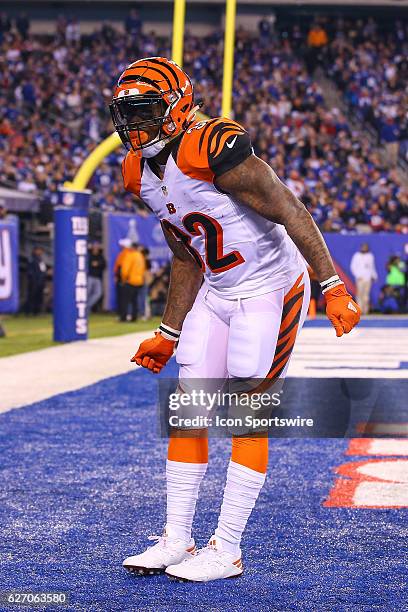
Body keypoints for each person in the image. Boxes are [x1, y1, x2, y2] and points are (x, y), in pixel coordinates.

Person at [109, 57, 360, 582]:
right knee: (189, 409)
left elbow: (292, 210)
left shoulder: (212, 147)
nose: (134, 127)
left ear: (176, 109)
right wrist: (168, 329)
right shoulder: (137, 170)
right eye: (126, 114)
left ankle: (228, 548)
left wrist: (330, 283)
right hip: (218, 291)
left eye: (146, 112)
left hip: (270, 289)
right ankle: (178, 537)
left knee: (248, 414)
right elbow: (185, 254)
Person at [118, 242, 146, 322]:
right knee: (134, 301)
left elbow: (125, 270)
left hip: (130, 280)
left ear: (132, 247)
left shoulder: (130, 255)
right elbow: (143, 268)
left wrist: (123, 279)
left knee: (125, 300)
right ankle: (134, 317)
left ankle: (123, 317)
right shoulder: (140, 256)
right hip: (139, 281)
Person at [350, 243, 378, 315]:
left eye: (366, 247)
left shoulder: (370, 256)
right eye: (363, 247)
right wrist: (357, 276)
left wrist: (374, 276)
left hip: (368, 278)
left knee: (366, 295)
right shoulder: (357, 256)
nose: (364, 248)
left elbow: (371, 267)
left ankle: (365, 311)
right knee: (359, 294)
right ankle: (359, 310)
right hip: (360, 278)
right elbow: (353, 267)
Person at [24, 246, 47, 315]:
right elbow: (30, 271)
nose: (40, 252)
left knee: (39, 297)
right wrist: (33, 279)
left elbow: (42, 270)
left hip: (41, 281)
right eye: (39, 250)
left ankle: (36, 311)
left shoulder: (40, 259)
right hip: (34, 281)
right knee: (31, 296)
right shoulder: (31, 259)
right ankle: (28, 311)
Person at [87, 242, 106, 312]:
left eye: (97, 246)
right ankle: (84, 308)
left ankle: (87, 306)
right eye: (94, 246)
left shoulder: (100, 256)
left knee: (98, 293)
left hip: (97, 277)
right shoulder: (89, 255)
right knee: (87, 293)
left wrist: (98, 264)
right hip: (89, 277)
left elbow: (104, 265)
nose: (96, 248)